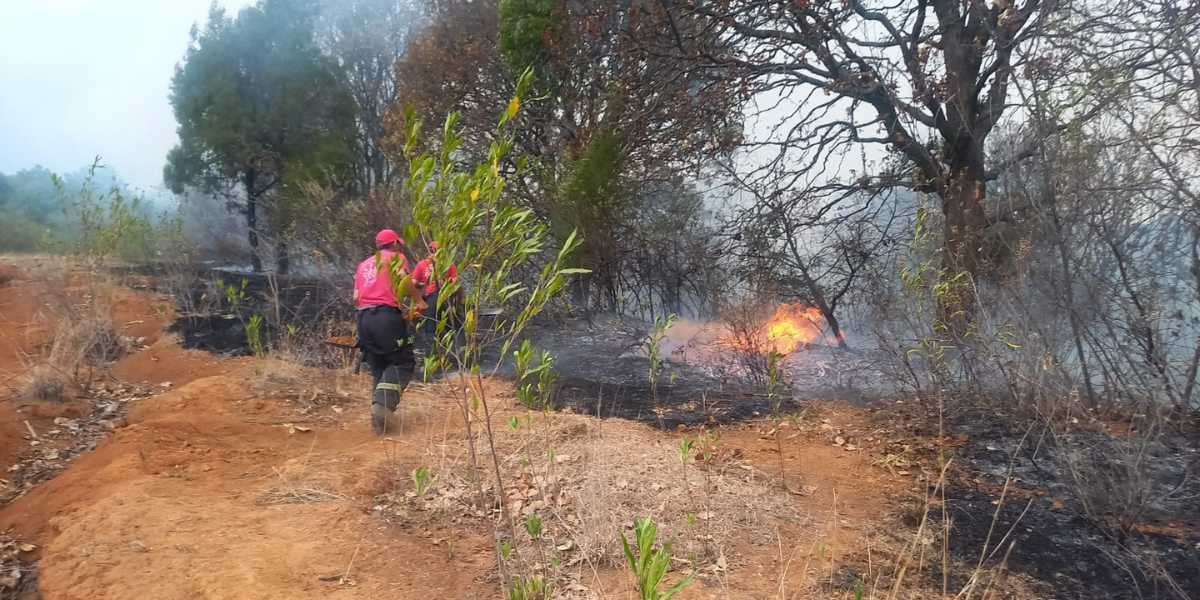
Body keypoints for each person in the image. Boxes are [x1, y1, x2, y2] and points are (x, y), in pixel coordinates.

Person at [353, 229, 427, 435]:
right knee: (402, 362)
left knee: (380, 365)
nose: (400, 247)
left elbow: (356, 297)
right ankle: (382, 408)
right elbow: (403, 280)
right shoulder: (396, 258)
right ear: (394, 244)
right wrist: (418, 301)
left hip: (363, 318)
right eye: (399, 244)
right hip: (384, 316)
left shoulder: (364, 265)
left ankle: (380, 422)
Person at [411, 241, 462, 351]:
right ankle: (458, 355)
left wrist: (423, 284)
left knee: (430, 330)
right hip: (446, 299)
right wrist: (461, 298)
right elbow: (456, 284)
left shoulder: (421, 264)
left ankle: (432, 356)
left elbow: (413, 282)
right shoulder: (448, 264)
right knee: (453, 328)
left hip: (430, 299)